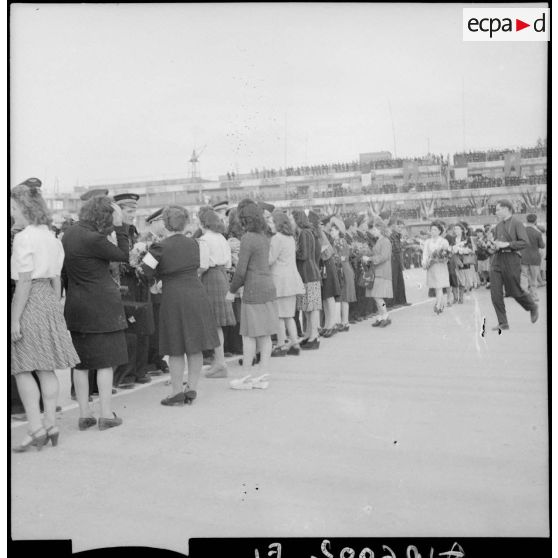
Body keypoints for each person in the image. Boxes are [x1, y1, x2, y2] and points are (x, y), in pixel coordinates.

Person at [10, 182, 80, 451]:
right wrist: (56, 308)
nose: (12, 212)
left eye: (14, 208)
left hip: (30, 300)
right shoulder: (51, 237)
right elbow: (56, 278)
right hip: (49, 299)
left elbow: (24, 283)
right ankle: (51, 424)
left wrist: (15, 318)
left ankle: (35, 428)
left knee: (23, 368)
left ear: (24, 208)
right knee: (46, 367)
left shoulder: (24, 237)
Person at [141, 205, 220, 406]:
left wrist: (156, 282)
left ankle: (176, 391)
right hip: (195, 292)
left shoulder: (159, 247)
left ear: (166, 224)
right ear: (185, 223)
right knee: (195, 344)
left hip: (173, 296)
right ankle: (192, 388)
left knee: (175, 346)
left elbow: (144, 270)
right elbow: (201, 267)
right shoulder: (196, 243)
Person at [62, 195, 128, 431]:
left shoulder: (68, 234)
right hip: (101, 306)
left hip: (76, 305)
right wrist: (120, 227)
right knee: (105, 363)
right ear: (104, 216)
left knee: (80, 364)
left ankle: (84, 415)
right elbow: (123, 255)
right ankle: (106, 414)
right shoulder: (94, 239)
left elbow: (64, 274)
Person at [227, 203, 278, 375]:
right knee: (265, 335)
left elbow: (241, 272)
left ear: (243, 219)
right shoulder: (263, 236)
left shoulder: (247, 238)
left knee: (249, 335)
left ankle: (246, 376)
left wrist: (231, 291)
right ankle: (263, 374)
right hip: (268, 287)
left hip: (253, 290)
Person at [112, 193, 154, 388]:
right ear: (119, 210)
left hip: (137, 283)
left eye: (134, 211)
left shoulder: (132, 231)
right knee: (130, 329)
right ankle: (126, 375)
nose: (132, 215)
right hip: (125, 284)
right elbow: (119, 259)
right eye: (129, 211)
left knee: (141, 327)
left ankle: (139, 370)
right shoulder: (115, 231)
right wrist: (133, 260)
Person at [198, 208, 236, 378]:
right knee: (218, 323)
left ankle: (219, 363)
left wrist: (196, 274)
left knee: (213, 323)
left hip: (210, 277)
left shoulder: (204, 239)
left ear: (202, 223)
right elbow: (228, 263)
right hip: (222, 276)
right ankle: (219, 362)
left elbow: (203, 265)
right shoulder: (221, 238)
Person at [489, 199, 538, 331]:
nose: (496, 211)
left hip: (511, 259)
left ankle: (532, 306)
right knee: (495, 294)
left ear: (507, 209)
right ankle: (503, 322)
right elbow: (497, 243)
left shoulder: (517, 223)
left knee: (514, 290)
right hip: (497, 259)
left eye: (498, 209)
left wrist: (508, 245)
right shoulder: (498, 226)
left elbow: (524, 242)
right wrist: (492, 246)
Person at [268, 210, 305, 356]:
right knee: (289, 315)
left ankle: (281, 345)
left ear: (277, 223)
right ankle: (295, 344)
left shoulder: (277, 238)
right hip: (292, 279)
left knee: (279, 316)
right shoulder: (290, 238)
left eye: (271, 222)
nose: (269, 224)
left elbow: (271, 259)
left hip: (280, 280)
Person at [143, 208, 170, 376]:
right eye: (161, 221)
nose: (164, 224)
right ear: (153, 222)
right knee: (153, 326)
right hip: (152, 287)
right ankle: (152, 360)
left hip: (163, 287)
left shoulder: (163, 239)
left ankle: (159, 358)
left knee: (161, 325)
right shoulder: (145, 240)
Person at [292, 209, 322, 350]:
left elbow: (303, 255)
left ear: (297, 220)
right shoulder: (309, 232)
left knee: (312, 307)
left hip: (307, 273)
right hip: (311, 272)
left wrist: (293, 251)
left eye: (291, 219)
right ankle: (310, 334)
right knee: (309, 308)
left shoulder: (303, 233)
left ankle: (313, 336)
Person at [329, 217, 356, 331]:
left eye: (333, 230)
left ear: (339, 231)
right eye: (331, 230)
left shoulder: (338, 241)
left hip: (342, 270)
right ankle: (345, 322)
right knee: (344, 298)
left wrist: (335, 258)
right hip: (345, 269)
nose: (331, 232)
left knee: (342, 298)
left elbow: (344, 257)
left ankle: (342, 322)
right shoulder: (341, 241)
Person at [365, 219, 393, 327]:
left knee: (377, 296)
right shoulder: (380, 240)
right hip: (378, 271)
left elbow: (384, 256)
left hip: (382, 271)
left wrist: (370, 259)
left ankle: (385, 315)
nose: (373, 231)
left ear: (380, 229)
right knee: (376, 295)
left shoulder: (385, 241)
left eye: (375, 229)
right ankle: (382, 316)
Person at [421, 221, 451, 314]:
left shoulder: (443, 241)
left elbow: (447, 254)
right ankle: (440, 304)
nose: (433, 231)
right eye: (432, 230)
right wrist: (424, 262)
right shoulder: (427, 242)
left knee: (439, 286)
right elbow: (425, 253)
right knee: (436, 286)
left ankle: (438, 305)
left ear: (439, 231)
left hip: (440, 266)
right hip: (431, 266)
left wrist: (441, 258)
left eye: (435, 230)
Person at [520, 214, 545, 303]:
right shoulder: (538, 233)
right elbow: (542, 246)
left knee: (524, 277)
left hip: (523, 257)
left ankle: (524, 297)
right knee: (533, 278)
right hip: (535, 258)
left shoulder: (521, 231)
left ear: (526, 220)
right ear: (535, 221)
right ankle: (534, 296)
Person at [386, 218, 409, 308]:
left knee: (400, 281)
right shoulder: (392, 235)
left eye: (401, 227)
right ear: (394, 226)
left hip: (398, 259)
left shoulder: (397, 235)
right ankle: (392, 303)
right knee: (394, 281)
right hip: (393, 259)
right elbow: (395, 248)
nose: (400, 229)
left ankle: (401, 301)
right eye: (398, 226)